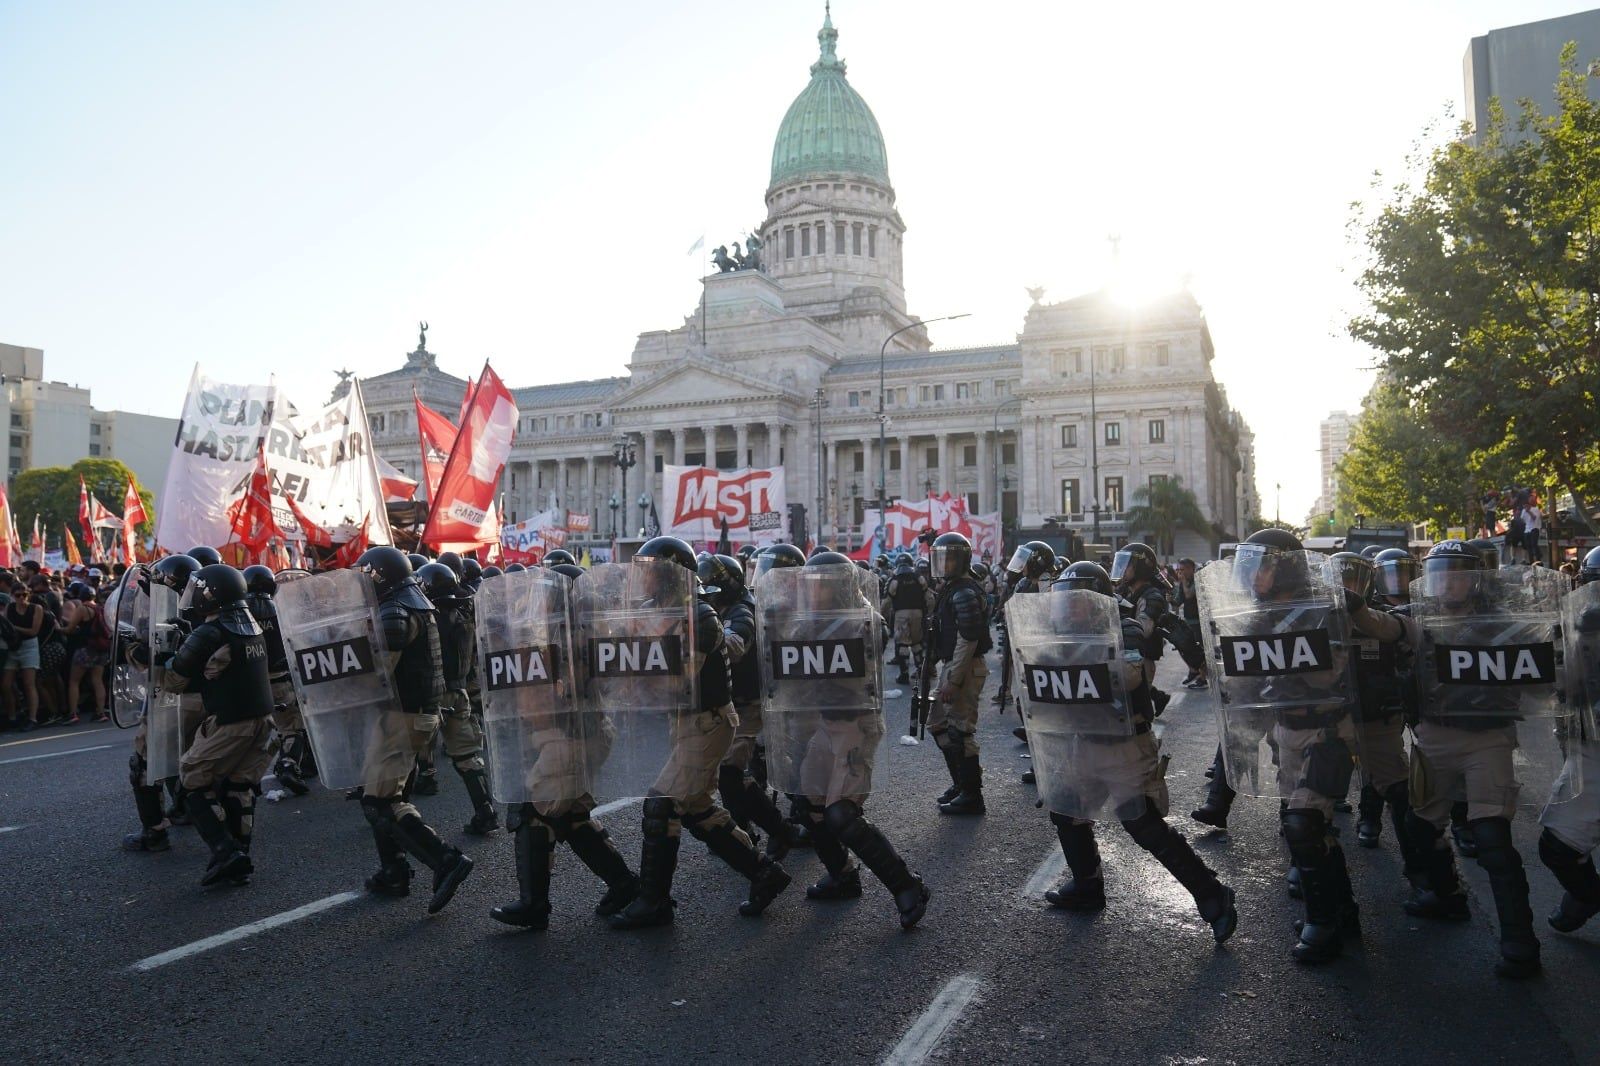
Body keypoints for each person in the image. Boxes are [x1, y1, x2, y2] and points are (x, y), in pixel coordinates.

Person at [1358, 541, 1554, 978]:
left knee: (1493, 840)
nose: (1447, 581)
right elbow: (1382, 627)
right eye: (1439, 572)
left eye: (1458, 573)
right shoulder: (1419, 619)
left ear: (1477, 579)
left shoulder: (1503, 625)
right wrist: (1353, 606)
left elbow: (1545, 668)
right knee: (1419, 824)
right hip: (1433, 738)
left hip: (1488, 740)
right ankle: (1444, 895)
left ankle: (1520, 943)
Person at [1028, 562, 1237, 943]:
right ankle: (1087, 886)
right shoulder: (1060, 635)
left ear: (1095, 600)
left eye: (1077, 600)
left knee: (1143, 825)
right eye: (1065, 601)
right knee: (1066, 809)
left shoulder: (1125, 628)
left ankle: (1212, 895)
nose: (1069, 608)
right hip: (1083, 743)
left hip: (1123, 746)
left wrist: (1072, 657)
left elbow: (1128, 675)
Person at [607, 537, 792, 929]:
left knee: (662, 803)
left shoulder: (700, 617)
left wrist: (631, 684)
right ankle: (764, 873)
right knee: (697, 808)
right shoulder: (662, 610)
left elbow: (676, 679)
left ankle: (653, 901)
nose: (646, 578)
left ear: (673, 575)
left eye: (653, 570)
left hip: (708, 721)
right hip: (687, 721)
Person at [1202, 528, 1361, 964]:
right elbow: (1244, 680)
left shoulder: (1322, 609)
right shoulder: (1260, 615)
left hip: (1327, 730)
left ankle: (1323, 924)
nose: (1253, 576)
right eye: (1249, 566)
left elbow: (1333, 671)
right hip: (1288, 730)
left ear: (1286, 566)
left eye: (1262, 566)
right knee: (1314, 828)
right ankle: (1340, 911)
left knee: (1303, 824)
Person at [768, 551, 930, 929]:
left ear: (840, 587)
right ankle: (842, 875)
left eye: (821, 585)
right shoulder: (808, 623)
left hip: (857, 724)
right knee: (811, 805)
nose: (815, 592)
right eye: (810, 586)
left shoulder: (862, 622)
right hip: (825, 723)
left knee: (842, 812)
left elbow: (872, 642)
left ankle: (907, 886)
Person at [488, 563, 640, 930]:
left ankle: (534, 904)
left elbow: (560, 691)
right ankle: (624, 884)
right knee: (569, 817)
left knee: (534, 811)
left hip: (572, 737)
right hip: (574, 736)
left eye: (544, 594)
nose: (536, 601)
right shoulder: (572, 631)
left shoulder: (576, 639)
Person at [354, 546, 474, 913]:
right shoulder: (416, 602)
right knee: (389, 797)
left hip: (402, 717)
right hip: (419, 714)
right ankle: (393, 872)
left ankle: (445, 859)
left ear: (378, 575)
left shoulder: (395, 610)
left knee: (380, 803)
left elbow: (378, 672)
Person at [163, 564, 275, 887]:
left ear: (208, 593)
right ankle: (240, 852)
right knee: (239, 786)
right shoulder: (251, 624)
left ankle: (226, 852)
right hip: (264, 720)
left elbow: (175, 680)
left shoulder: (211, 632)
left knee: (191, 780)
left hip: (231, 720)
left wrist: (155, 656)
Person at [704, 552, 796, 857]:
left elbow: (736, 645)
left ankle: (781, 830)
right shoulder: (730, 607)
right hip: (735, 703)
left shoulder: (741, 611)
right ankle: (743, 829)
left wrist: (703, 637)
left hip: (750, 704)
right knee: (729, 773)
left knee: (733, 772)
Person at [1538, 544, 1600, 933]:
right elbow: (1561, 684)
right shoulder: (1580, 630)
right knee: (1559, 845)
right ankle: (1586, 896)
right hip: (1593, 751)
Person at [416, 562, 500, 835]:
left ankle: (398, 816)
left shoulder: (424, 617)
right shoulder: (464, 613)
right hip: (459, 692)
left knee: (403, 755)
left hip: (427, 696)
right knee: (467, 755)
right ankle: (485, 810)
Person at [925, 532, 992, 815]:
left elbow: (969, 638)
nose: (944, 564)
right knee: (938, 725)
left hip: (964, 666)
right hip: (951, 664)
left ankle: (972, 795)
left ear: (962, 560)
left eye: (949, 558)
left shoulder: (964, 591)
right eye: (941, 558)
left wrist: (953, 679)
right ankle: (960, 784)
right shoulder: (951, 588)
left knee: (961, 731)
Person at [242, 565, 311, 796]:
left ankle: (245, 779)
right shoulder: (282, 609)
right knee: (292, 726)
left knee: (251, 735)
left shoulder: (238, 612)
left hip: (248, 684)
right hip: (280, 680)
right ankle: (289, 765)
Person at [883, 554, 931, 687]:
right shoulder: (918, 576)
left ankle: (904, 674)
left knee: (903, 644)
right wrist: (930, 613)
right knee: (917, 643)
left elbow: (887, 600)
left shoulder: (895, 577)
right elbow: (928, 595)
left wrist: (881, 615)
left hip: (901, 614)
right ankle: (921, 671)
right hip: (918, 613)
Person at [4, 584, 43, 730]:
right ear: (13, 596)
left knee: (29, 684)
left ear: (29, 595)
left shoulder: (35, 608)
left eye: (24, 595)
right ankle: (12, 716)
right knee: (6, 685)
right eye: (18, 595)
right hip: (14, 647)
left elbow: (33, 631)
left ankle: (32, 719)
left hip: (29, 646)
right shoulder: (10, 608)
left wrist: (14, 628)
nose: (21, 598)